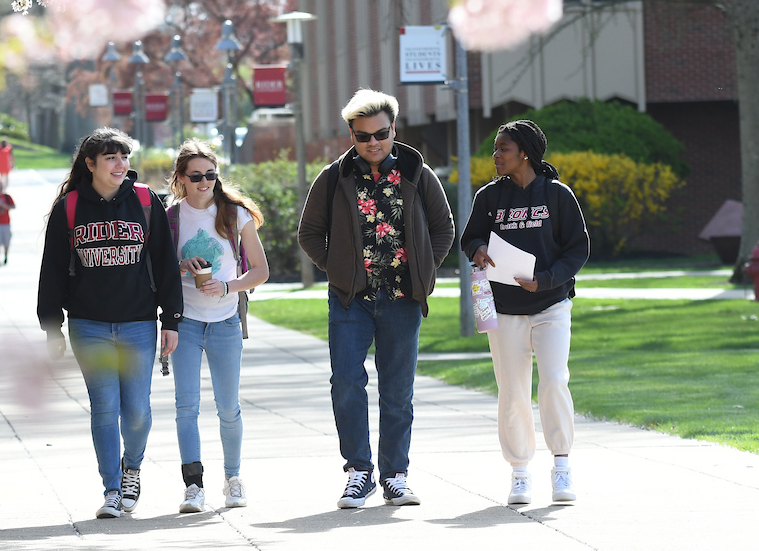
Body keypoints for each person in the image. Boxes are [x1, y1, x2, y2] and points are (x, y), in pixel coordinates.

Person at [298, 89, 455, 509]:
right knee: (346, 382)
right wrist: (339, 270)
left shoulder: (418, 174)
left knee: (397, 390)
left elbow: (443, 228)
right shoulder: (333, 178)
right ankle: (359, 472)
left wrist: (424, 268)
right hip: (351, 301)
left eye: (381, 134)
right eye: (363, 136)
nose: (373, 143)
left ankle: (395, 476)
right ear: (351, 135)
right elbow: (309, 233)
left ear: (393, 130)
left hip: (403, 299)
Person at [36, 127, 184, 519]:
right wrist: (51, 326)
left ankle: (131, 467)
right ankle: (112, 490)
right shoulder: (68, 207)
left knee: (136, 410)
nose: (121, 165)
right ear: (91, 164)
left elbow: (166, 265)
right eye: (111, 158)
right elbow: (51, 270)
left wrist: (172, 319)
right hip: (88, 325)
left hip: (138, 323)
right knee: (104, 408)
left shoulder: (145, 201)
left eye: (125, 157)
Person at [459, 119, 589, 506]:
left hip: (551, 305)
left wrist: (547, 279)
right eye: (496, 149)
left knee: (553, 382)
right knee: (512, 393)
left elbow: (577, 249)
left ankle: (562, 466)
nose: (495, 156)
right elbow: (470, 238)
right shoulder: (489, 197)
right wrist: (478, 248)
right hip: (504, 310)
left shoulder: (557, 195)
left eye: (504, 149)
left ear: (525, 153)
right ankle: (519, 473)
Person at [166, 139, 270, 513]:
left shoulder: (235, 215)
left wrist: (228, 285)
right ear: (181, 179)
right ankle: (193, 486)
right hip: (187, 323)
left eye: (211, 175)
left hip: (225, 320)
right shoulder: (170, 219)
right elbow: (157, 271)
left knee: (228, 407)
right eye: (196, 176)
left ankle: (233, 478)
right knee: (186, 407)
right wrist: (181, 267)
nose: (205, 182)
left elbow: (261, 271)